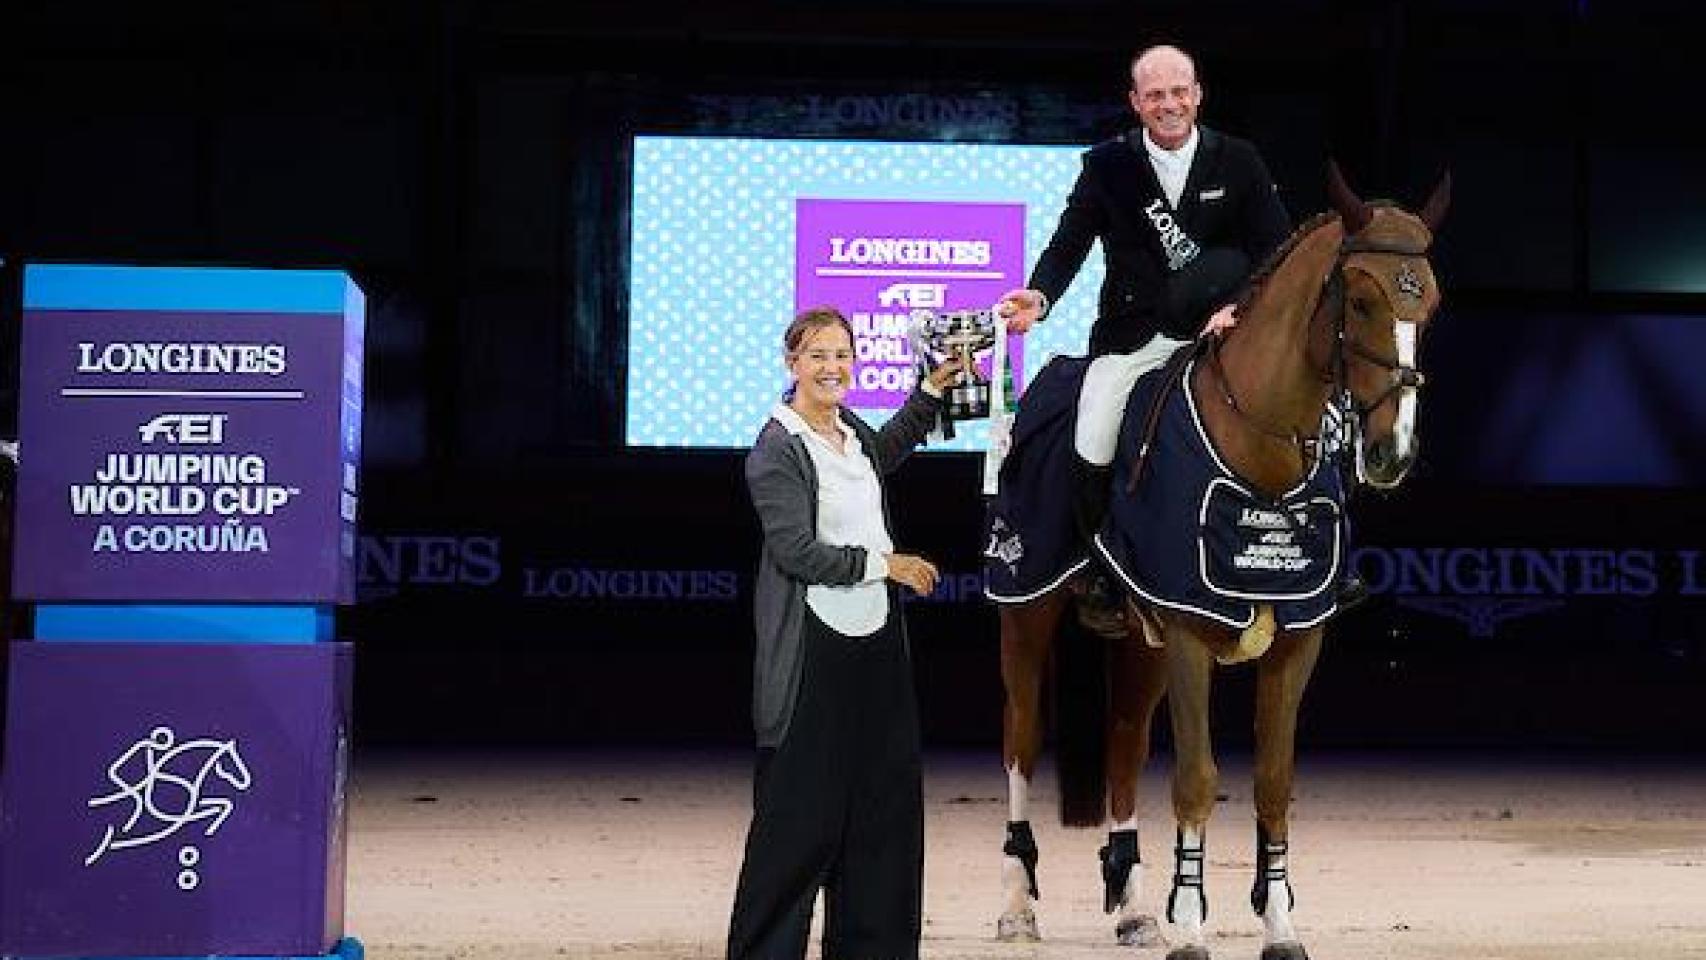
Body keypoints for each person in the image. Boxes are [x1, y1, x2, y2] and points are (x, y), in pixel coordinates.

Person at [997, 44, 1292, 627]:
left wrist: (1236, 309)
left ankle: (1310, 558)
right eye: (1154, 95)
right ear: (1135, 103)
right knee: (1093, 428)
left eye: (1179, 91)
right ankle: (1103, 568)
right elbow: (1069, 243)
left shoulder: (1240, 160)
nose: (1169, 104)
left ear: (1198, 94)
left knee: (1312, 413)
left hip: (1223, 335)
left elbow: (1275, 254)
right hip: (1133, 336)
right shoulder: (1107, 165)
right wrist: (1040, 294)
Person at [726, 306, 960, 960]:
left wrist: (932, 391)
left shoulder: (850, 431)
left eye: (842, 355)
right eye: (818, 356)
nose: (833, 368)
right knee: (796, 826)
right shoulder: (777, 449)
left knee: (882, 820)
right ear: (792, 364)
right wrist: (884, 565)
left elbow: (883, 455)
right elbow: (798, 552)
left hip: (877, 647)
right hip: (812, 657)